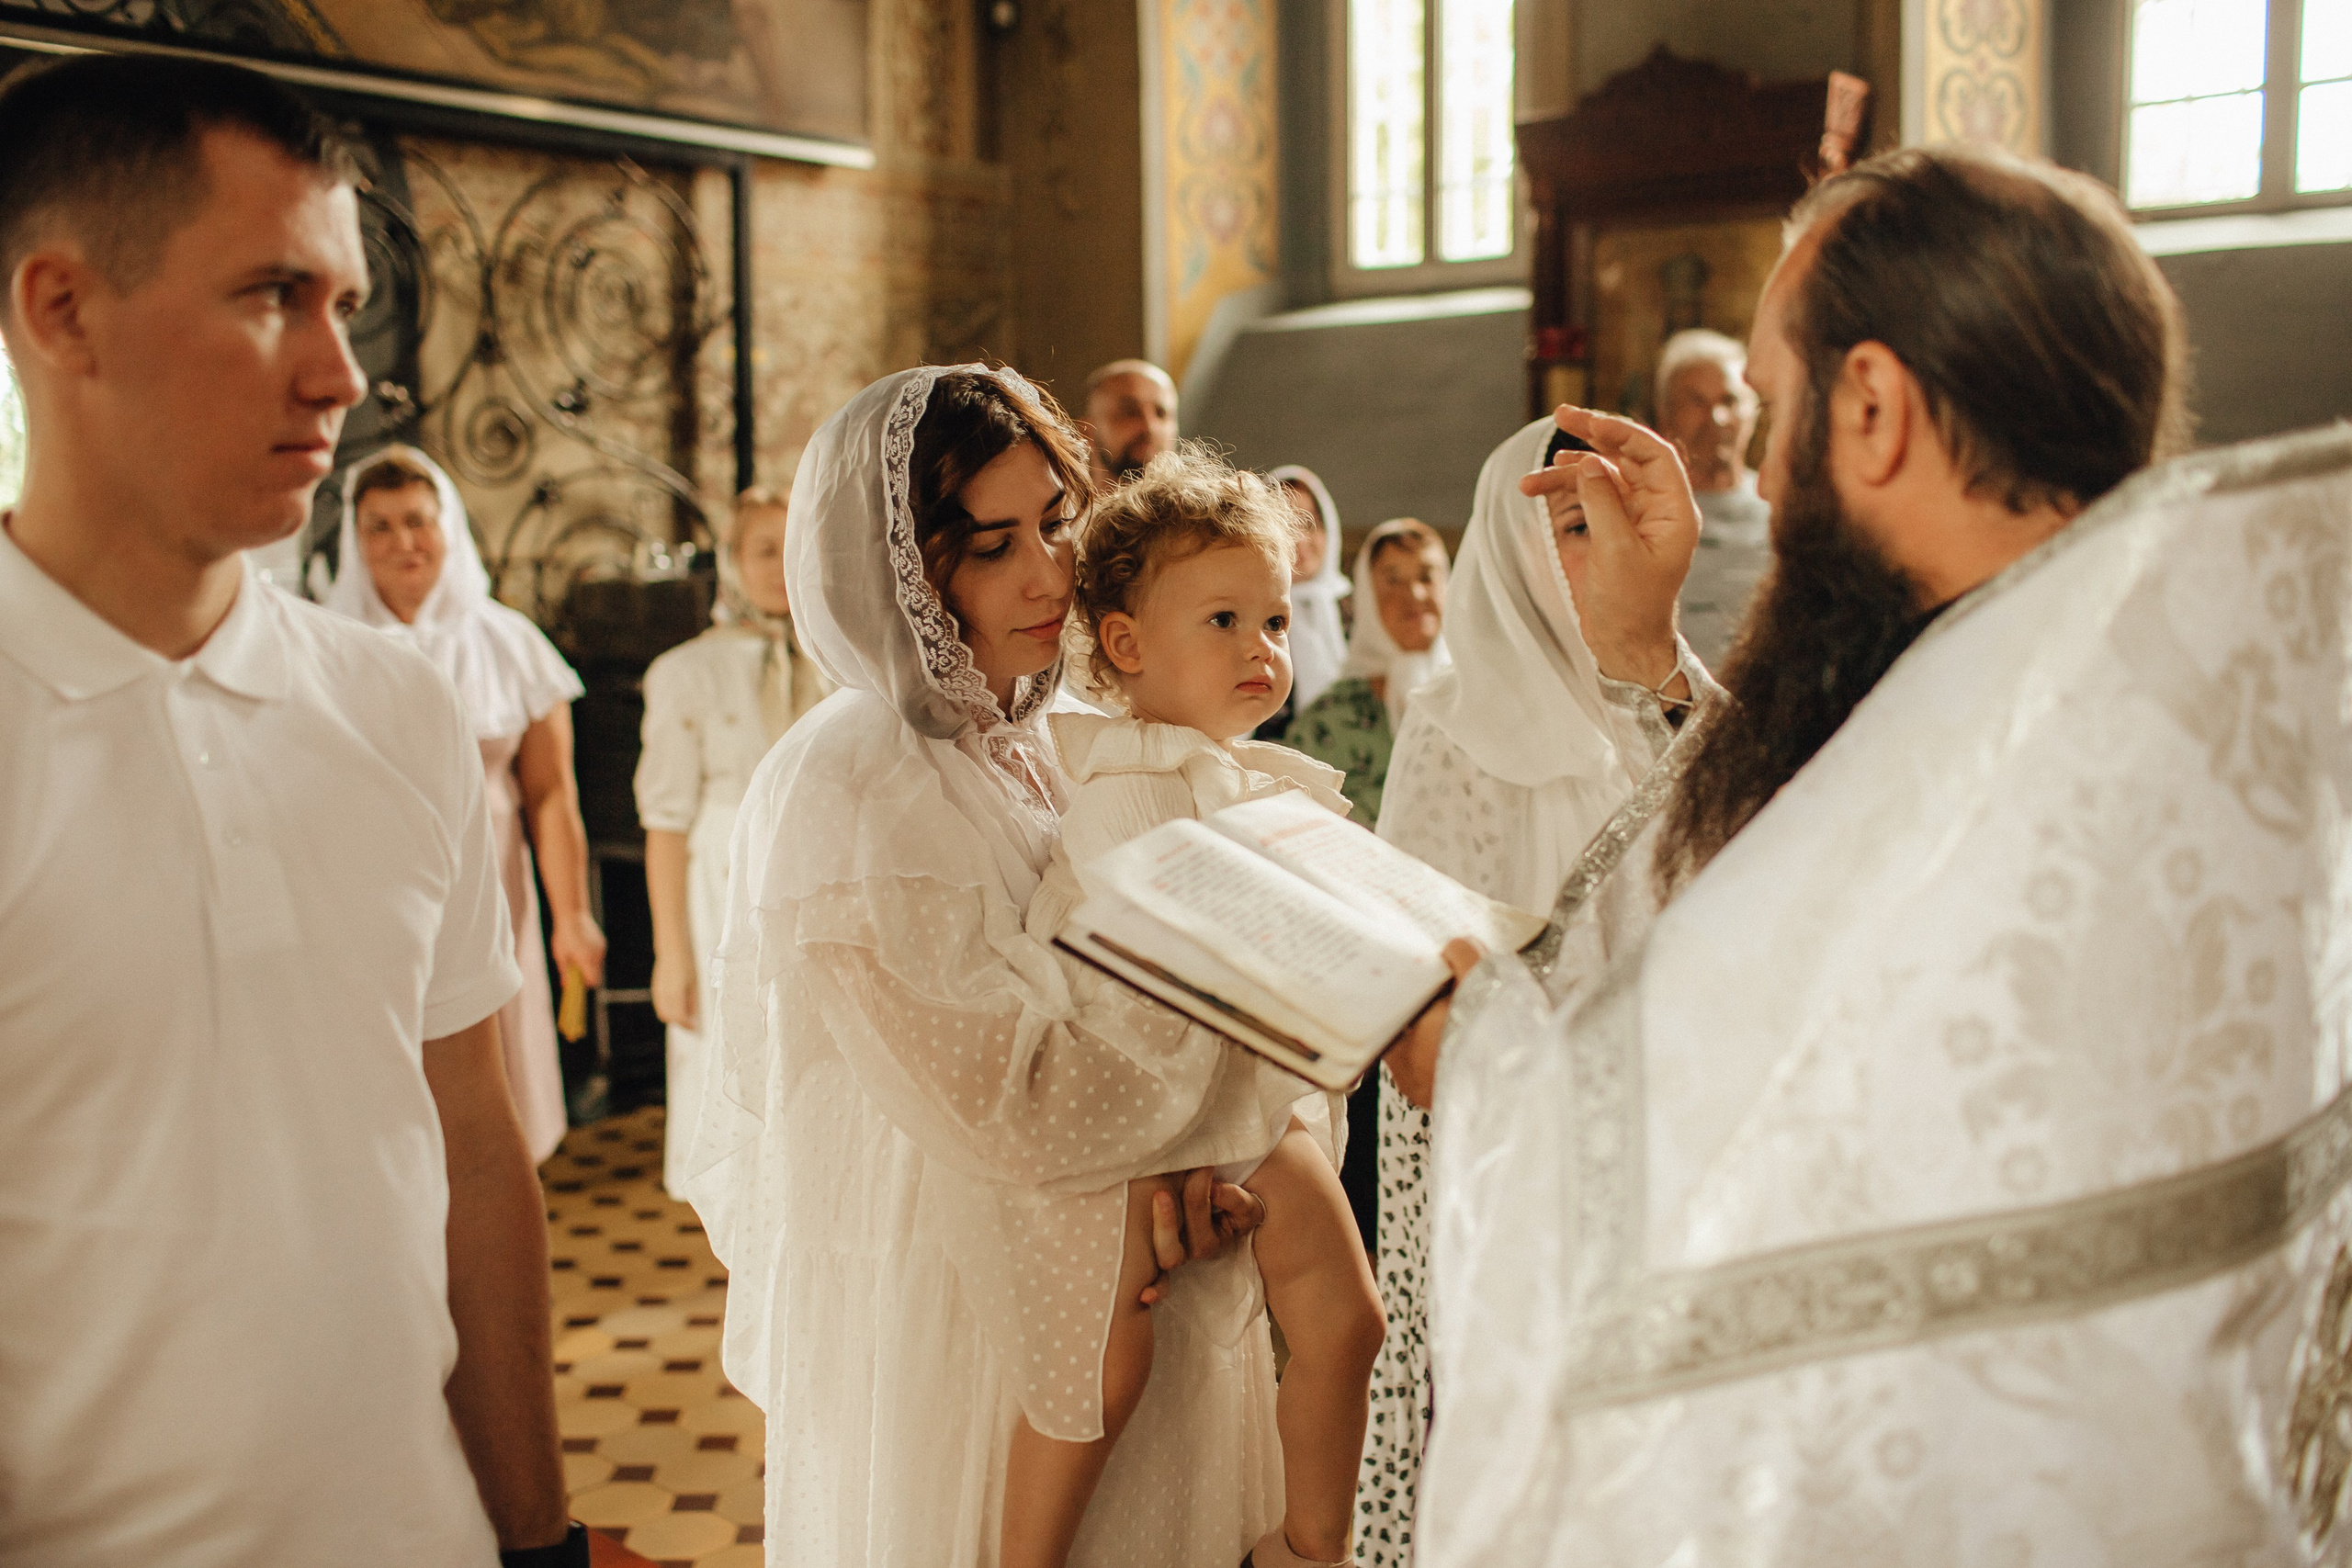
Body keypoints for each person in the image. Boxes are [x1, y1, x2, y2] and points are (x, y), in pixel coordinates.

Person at [1382, 148, 2352, 1568]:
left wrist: (1473, 1064)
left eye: (1777, 412)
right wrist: (1656, 664)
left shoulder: (2002, 762)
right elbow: (1836, 839)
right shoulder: (2196, 701)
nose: (1762, 472)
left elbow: (1654, 1186)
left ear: (1878, 407)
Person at [0, 52, 571, 1565]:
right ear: (62, 311)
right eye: (270, 297)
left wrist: (536, 1534)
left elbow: (469, 1141)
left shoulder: (396, 708)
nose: (338, 373)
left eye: (340, 304)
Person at [690, 365, 1300, 1567]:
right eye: (989, 543)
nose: (1046, 573)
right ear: (896, 568)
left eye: (1055, 523)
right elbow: (1008, 1097)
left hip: (1129, 1259)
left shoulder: (1045, 734)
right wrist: (1220, 1076)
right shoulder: (853, 782)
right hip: (971, 1300)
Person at [1351, 417, 1715, 1567]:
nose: (1599, 547)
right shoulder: (1454, 734)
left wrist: (1648, 662)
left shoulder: (1692, 706)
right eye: (1568, 524)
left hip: (1674, 1151)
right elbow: (1423, 998)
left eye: (1614, 519)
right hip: (1517, 1159)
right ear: (1507, 550)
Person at [1013, 446, 1385, 1568]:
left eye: (1274, 622)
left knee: (1347, 1321)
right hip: (1137, 1106)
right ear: (1125, 644)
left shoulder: (1256, 781)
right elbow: (1175, 962)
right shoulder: (1124, 792)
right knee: (1103, 1367)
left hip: (1248, 1102)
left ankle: (1309, 1546)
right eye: (1222, 621)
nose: (1261, 650)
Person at [325, 445, 604, 1164]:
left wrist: (571, 914)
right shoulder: (323, 646)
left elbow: (549, 795)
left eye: (418, 521)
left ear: (448, 528)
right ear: (355, 542)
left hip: (491, 888)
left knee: (494, 1078)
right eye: (379, 526)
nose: (403, 542)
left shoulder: (508, 643)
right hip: (366, 896)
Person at [634, 487, 832, 1198]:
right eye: (761, 551)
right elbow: (665, 821)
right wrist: (671, 954)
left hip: (821, 874)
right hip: (724, 885)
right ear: (731, 561)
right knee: (732, 1050)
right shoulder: (687, 671)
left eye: (792, 548)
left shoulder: (844, 661)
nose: (778, 567)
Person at [1284, 517, 1451, 826]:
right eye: (1393, 580)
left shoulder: (1475, 702)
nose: (1414, 594)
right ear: (1366, 597)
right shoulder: (1328, 722)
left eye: (1427, 577)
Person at [1656, 327, 1770, 666]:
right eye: (1696, 403)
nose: (1716, 418)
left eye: (1729, 401)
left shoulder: (1787, 512)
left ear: (1753, 412)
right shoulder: (1641, 515)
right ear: (1665, 415)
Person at [1261, 464, 1350, 734]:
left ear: (1327, 529)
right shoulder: (1251, 615)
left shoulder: (1358, 609)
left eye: (1307, 523)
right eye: (1284, 525)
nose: (1299, 539)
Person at [1080, 357, 1178, 487]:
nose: (1150, 426)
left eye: (1161, 414)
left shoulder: (1204, 506)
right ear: (1087, 431)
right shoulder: (1060, 507)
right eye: (1130, 412)